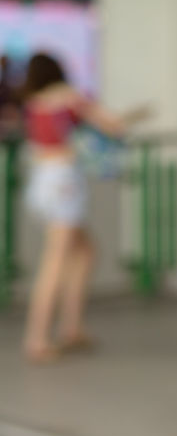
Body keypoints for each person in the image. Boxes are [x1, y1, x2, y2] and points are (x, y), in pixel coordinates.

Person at [19, 52, 147, 363]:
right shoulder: (69, 97)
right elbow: (111, 125)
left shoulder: (32, 103)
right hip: (63, 183)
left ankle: (72, 328)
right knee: (55, 262)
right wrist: (137, 116)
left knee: (85, 252)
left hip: (40, 182)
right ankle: (37, 339)